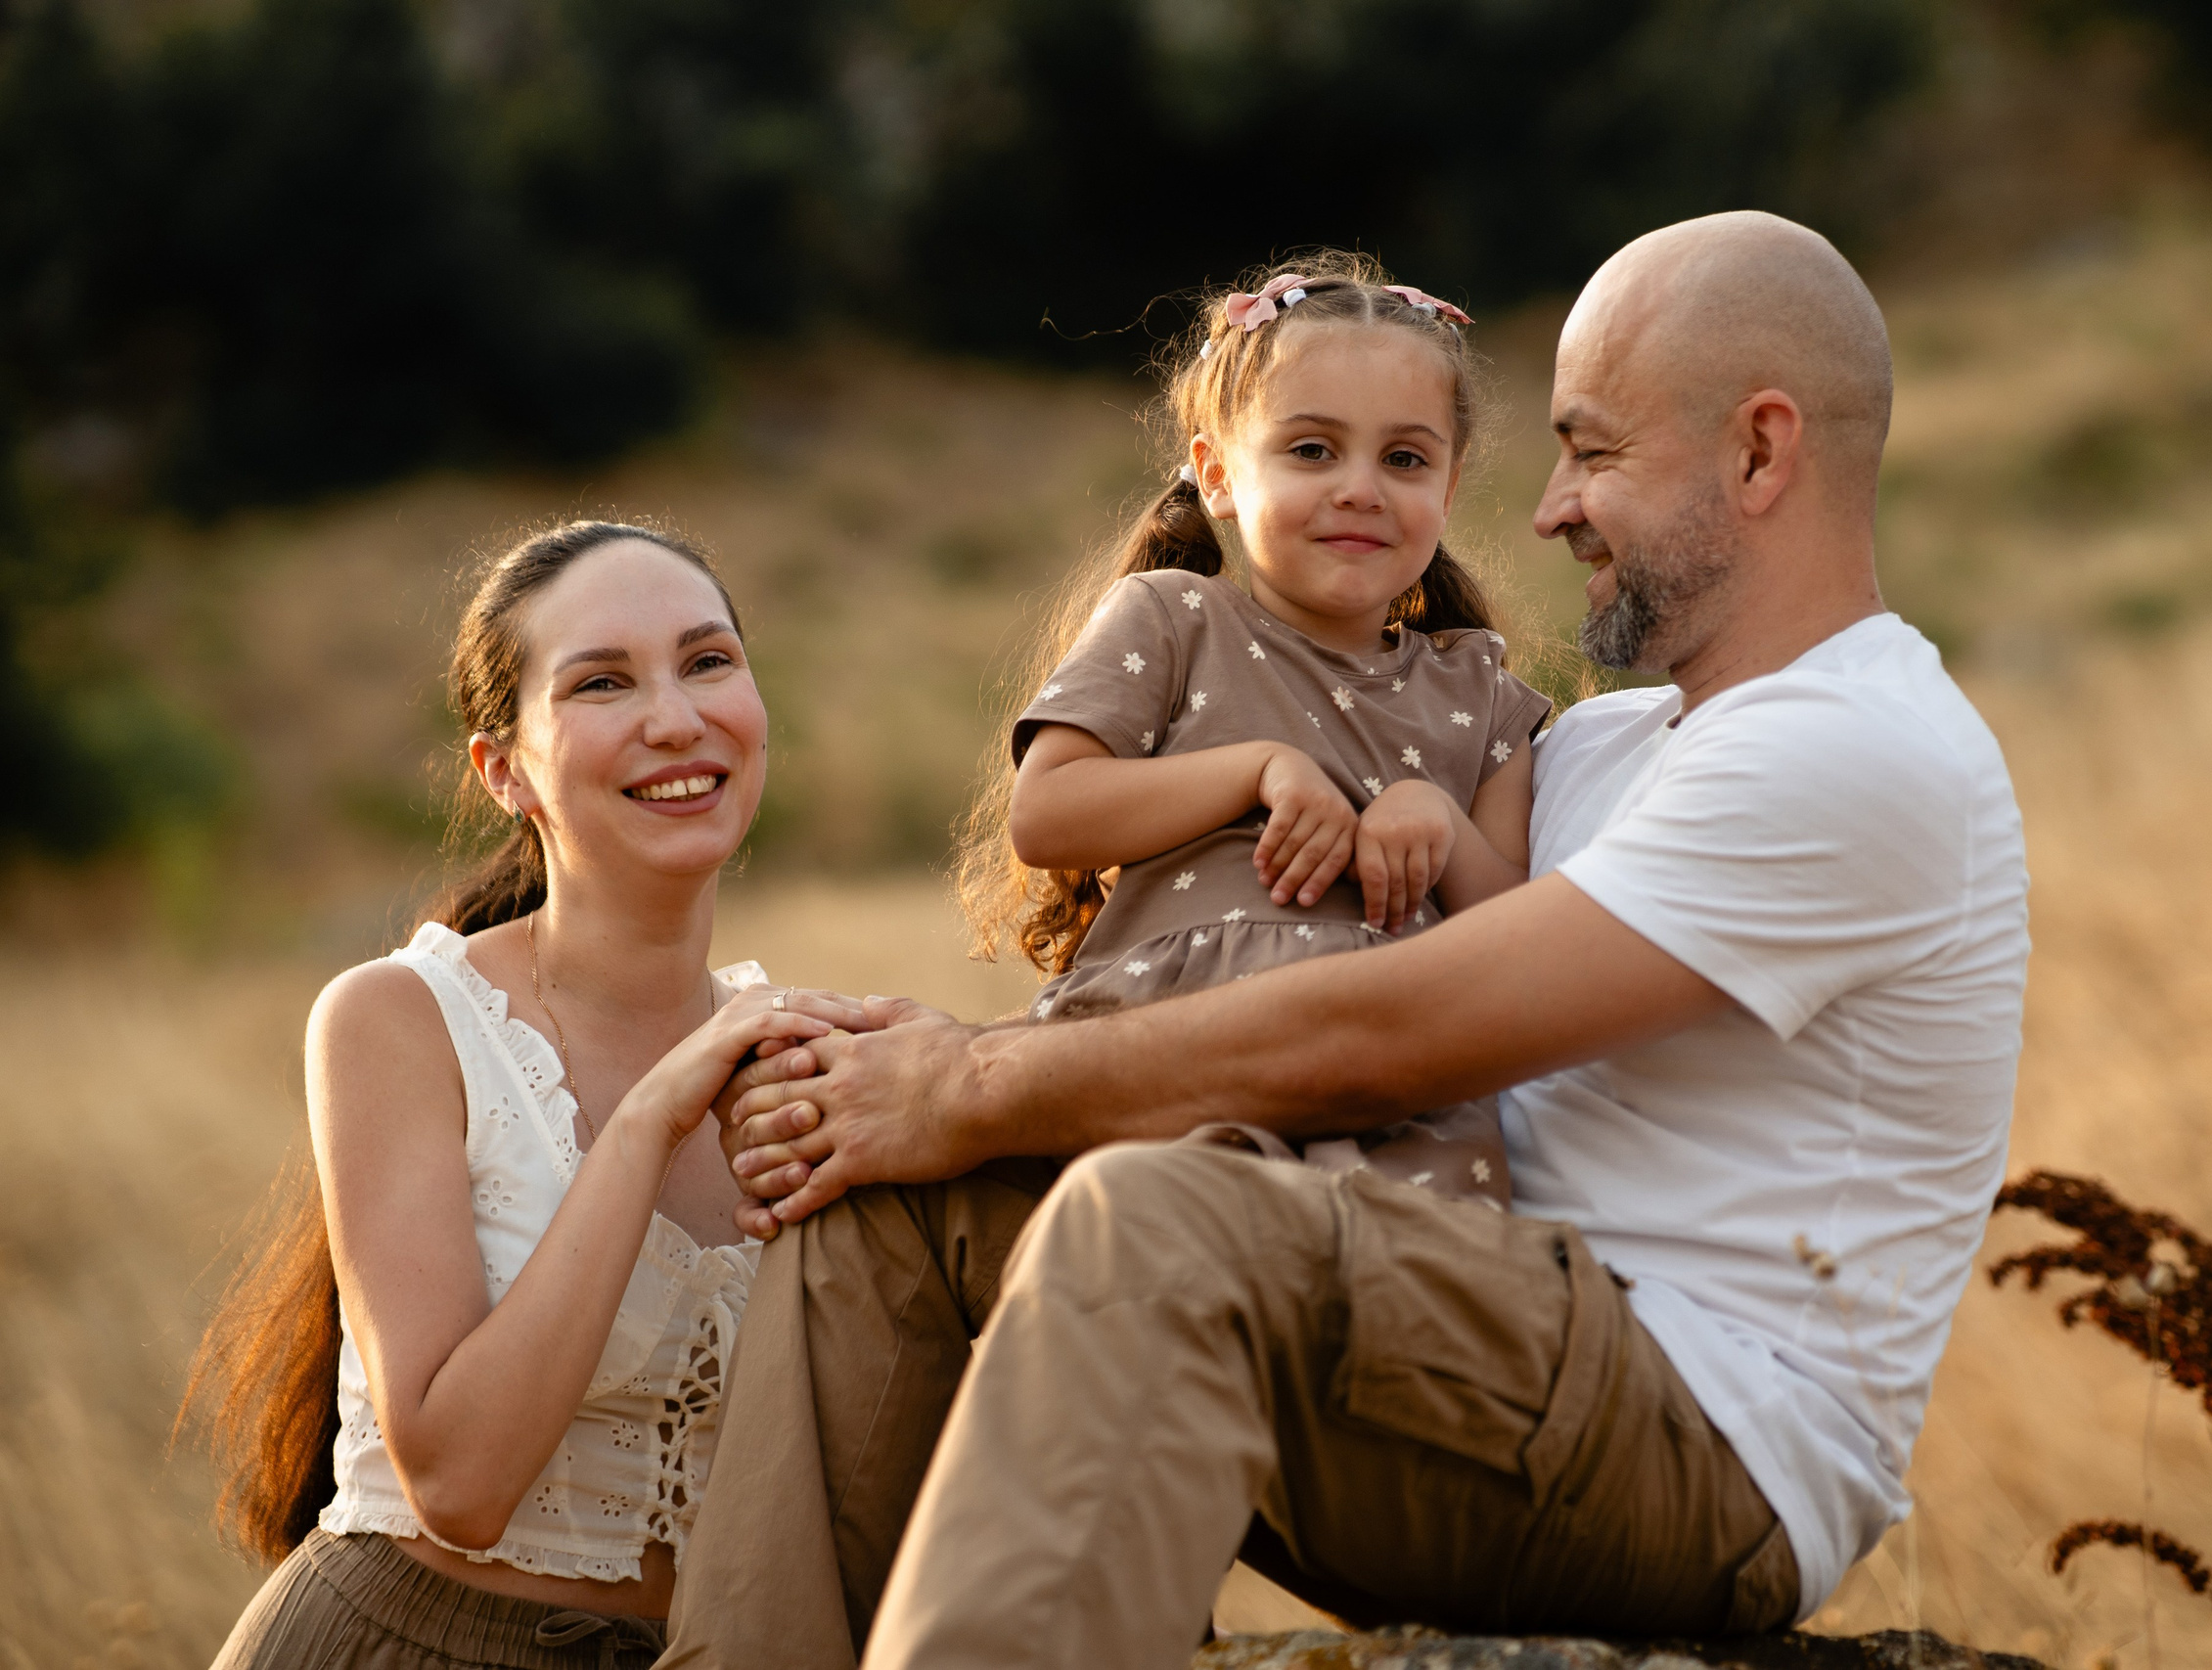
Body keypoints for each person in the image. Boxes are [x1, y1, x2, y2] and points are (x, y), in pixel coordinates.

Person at [664, 210, 2030, 1670]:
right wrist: (910, 1105)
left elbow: (1391, 1032)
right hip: (1461, 1324)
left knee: (1153, 1214)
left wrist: (967, 1081)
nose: (1551, 509)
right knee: (886, 1205)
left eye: (1594, 451)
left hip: (1698, 1436)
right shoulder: (1606, 747)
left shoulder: (1855, 749)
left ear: (1758, 454)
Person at [186, 520, 850, 1670]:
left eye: (707, 662)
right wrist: (647, 1123)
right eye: (602, 682)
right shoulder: (400, 1018)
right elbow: (460, 1484)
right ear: (505, 770)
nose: (675, 719)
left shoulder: (797, 1054)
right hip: (402, 1643)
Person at [958, 250, 1551, 1205]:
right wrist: (1258, 768)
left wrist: (1439, 825)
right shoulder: (1173, 619)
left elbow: (1526, 948)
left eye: (1404, 459)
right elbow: (1047, 814)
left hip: (1390, 1111)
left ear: (1447, 491)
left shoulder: (1480, 693)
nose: (1360, 488)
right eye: (1312, 449)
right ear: (1218, 473)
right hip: (1154, 1071)